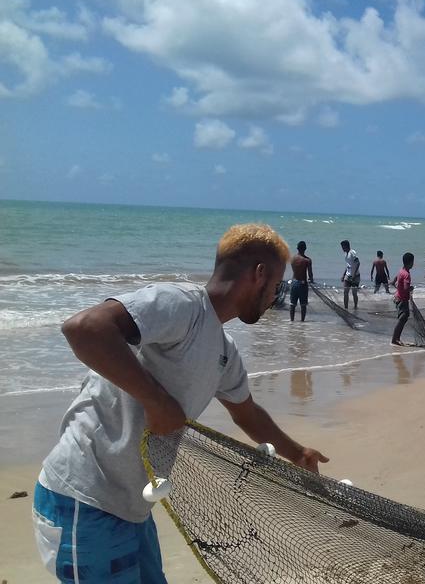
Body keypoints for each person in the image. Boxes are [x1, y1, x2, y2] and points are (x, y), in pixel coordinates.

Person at [32, 223, 328, 583]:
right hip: (84, 495)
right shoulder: (182, 305)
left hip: (132, 509)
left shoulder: (223, 351)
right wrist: (157, 401)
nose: (276, 296)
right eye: (277, 285)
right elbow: (85, 329)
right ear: (259, 274)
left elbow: (246, 412)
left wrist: (297, 454)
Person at [391, 252, 414, 346]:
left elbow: (395, 280)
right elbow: (406, 288)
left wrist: (395, 285)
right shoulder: (407, 274)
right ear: (410, 262)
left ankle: (396, 338)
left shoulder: (401, 270)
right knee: (403, 318)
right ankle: (395, 339)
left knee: (403, 318)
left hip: (397, 297)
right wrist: (410, 288)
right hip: (402, 299)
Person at [289, 241, 314, 322]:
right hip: (302, 284)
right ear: (305, 248)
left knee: (292, 305)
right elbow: (310, 274)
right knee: (303, 305)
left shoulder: (292, 258)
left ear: (297, 248)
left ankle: (291, 321)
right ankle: (302, 322)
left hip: (293, 283)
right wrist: (311, 280)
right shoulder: (307, 260)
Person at [340, 240, 360, 310]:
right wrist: (343, 275)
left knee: (354, 293)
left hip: (356, 276)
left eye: (342, 247)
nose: (342, 248)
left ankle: (355, 307)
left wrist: (354, 275)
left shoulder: (352, 253)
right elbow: (348, 265)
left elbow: (358, 263)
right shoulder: (345, 254)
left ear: (346, 246)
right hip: (348, 275)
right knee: (345, 292)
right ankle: (346, 308)